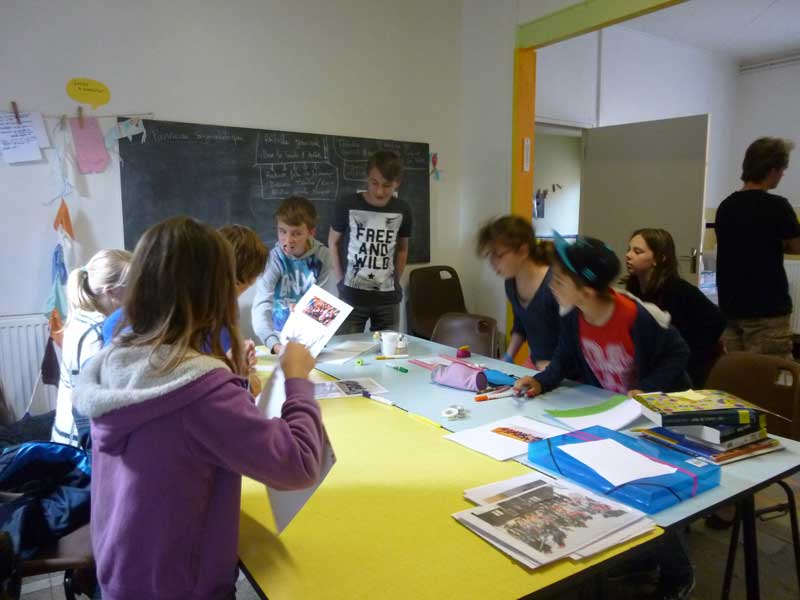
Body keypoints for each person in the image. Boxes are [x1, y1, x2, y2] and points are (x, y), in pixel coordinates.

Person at [73, 216, 325, 600]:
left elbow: (182, 440)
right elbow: (300, 464)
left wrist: (233, 377)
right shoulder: (200, 392)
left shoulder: (114, 361)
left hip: (123, 574)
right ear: (217, 291)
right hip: (181, 587)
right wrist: (297, 379)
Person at [513, 232, 690, 399]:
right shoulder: (572, 314)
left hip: (657, 409)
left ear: (587, 293)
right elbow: (564, 357)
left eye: (559, 281)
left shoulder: (637, 317)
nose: (551, 285)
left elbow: (678, 352)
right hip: (613, 404)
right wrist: (541, 381)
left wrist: (647, 389)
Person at [716, 137, 800, 358]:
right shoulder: (778, 206)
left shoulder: (726, 206)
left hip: (731, 307)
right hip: (767, 310)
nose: (782, 175)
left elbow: (742, 245)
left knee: (736, 374)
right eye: (782, 170)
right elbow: (796, 246)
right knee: (769, 375)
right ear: (772, 170)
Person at [625, 228, 726, 387]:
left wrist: (691, 356)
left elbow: (717, 321)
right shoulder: (633, 288)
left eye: (637, 252)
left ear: (659, 258)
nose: (628, 255)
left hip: (681, 367)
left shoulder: (679, 290)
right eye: (629, 249)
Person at [51, 249, 131, 447]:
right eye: (134, 286)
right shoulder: (96, 331)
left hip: (65, 433)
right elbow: (92, 400)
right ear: (111, 291)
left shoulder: (83, 317)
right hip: (78, 444)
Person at [328, 150, 412, 333]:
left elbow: (403, 249)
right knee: (347, 348)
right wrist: (340, 280)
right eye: (374, 183)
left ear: (397, 183)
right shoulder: (347, 204)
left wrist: (395, 279)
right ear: (367, 178)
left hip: (388, 300)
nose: (379, 191)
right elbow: (333, 242)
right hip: (351, 298)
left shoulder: (403, 209)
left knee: (388, 350)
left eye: (387, 185)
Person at [476, 215, 559, 369]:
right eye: (490, 256)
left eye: (498, 255)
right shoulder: (511, 283)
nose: (493, 263)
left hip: (568, 371)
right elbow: (520, 325)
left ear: (523, 251)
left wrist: (554, 369)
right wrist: (507, 357)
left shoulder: (554, 285)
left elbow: (573, 341)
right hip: (538, 363)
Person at [252, 195, 332, 354]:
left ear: (311, 232)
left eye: (296, 233)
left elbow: (324, 302)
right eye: (282, 231)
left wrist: (303, 312)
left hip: (310, 337)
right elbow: (261, 305)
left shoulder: (323, 257)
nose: (288, 240)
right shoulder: (274, 259)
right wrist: (274, 344)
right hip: (278, 336)